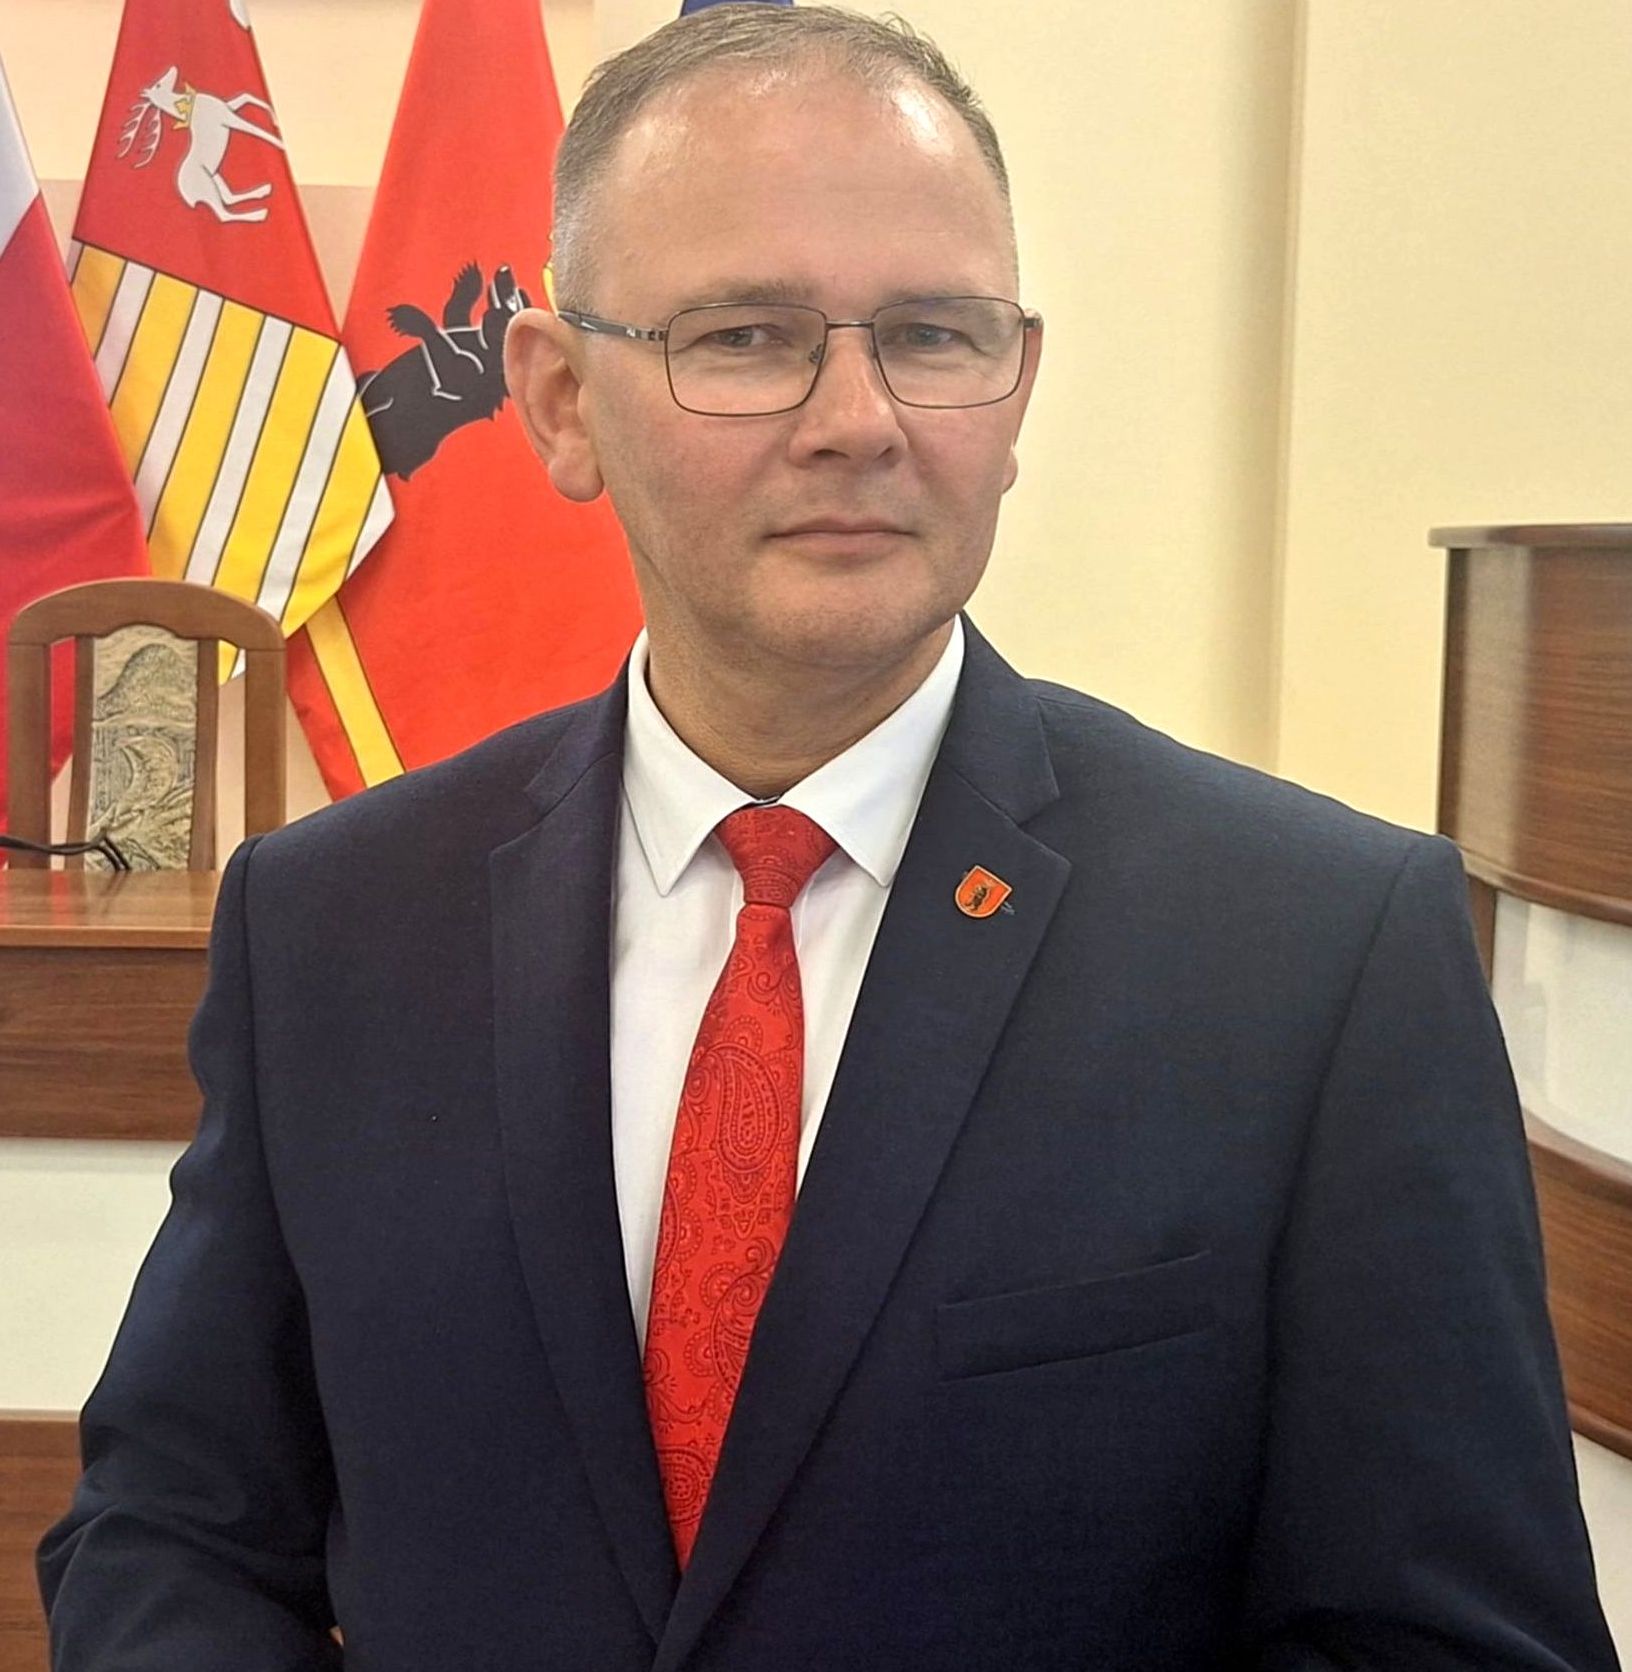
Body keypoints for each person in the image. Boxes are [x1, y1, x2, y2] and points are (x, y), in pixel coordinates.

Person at [39, 7, 1620, 1670]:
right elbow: (174, 1528)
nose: (858, 418)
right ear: (563, 403)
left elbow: (1449, 1640)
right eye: (746, 336)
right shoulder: (334, 924)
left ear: (1017, 390)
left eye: (932, 335)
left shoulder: (1316, 953)